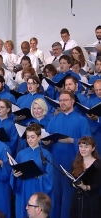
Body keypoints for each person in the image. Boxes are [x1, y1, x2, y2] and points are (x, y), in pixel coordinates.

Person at [44, 90, 91, 218]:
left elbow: (88, 143)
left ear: (72, 101)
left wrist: (72, 140)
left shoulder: (81, 120)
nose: (62, 103)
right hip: (56, 164)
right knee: (55, 195)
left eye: (65, 100)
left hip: (73, 164)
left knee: (69, 198)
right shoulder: (54, 120)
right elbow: (47, 137)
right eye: (60, 100)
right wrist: (47, 141)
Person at [11, 123, 54, 218]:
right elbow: (14, 171)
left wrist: (38, 176)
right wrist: (15, 175)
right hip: (23, 188)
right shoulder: (21, 154)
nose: (29, 140)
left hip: (38, 188)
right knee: (23, 212)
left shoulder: (46, 155)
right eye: (28, 137)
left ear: (39, 137)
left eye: (32, 137)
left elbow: (50, 177)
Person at [70, 136, 101, 218]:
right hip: (77, 198)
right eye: (81, 146)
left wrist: (85, 187)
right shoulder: (75, 162)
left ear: (93, 148)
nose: (83, 149)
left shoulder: (98, 164)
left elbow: (97, 185)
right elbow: (71, 180)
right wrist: (74, 184)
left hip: (91, 200)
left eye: (86, 147)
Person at [85, 80, 101, 156]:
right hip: (95, 133)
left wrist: (98, 119)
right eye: (96, 90)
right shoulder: (90, 102)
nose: (98, 92)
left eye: (100, 89)